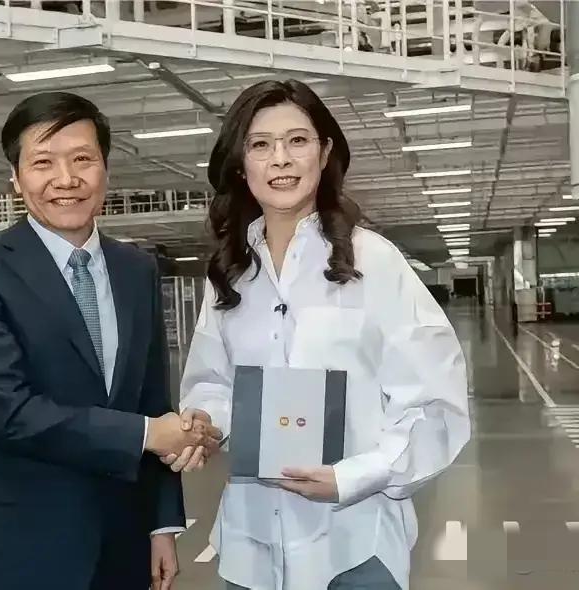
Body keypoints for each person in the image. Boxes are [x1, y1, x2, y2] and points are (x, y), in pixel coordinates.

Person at [167, 79, 471, 589]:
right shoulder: (231, 273)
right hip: (251, 547)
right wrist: (205, 422)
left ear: (325, 153)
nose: (280, 159)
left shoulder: (374, 261)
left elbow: (435, 405)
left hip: (353, 545)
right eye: (260, 145)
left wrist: (352, 478)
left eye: (297, 141)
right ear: (241, 165)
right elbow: (212, 383)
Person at [0, 91, 219, 590]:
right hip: (17, 550)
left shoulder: (136, 269)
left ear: (105, 169)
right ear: (16, 178)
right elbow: (10, 412)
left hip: (122, 544)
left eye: (83, 159)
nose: (66, 179)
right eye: (43, 162)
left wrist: (160, 525)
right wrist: (148, 435)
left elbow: (151, 397)